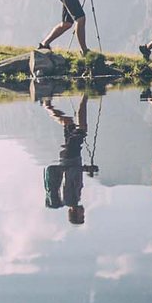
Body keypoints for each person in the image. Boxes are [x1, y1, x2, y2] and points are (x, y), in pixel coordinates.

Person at [41, 94, 97, 225]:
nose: (83, 213)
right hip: (69, 157)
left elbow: (70, 174)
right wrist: (84, 169)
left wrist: (85, 168)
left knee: (82, 128)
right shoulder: (72, 199)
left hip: (71, 156)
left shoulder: (71, 199)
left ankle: (85, 95)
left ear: (75, 214)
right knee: (68, 123)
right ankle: (47, 106)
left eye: (81, 216)